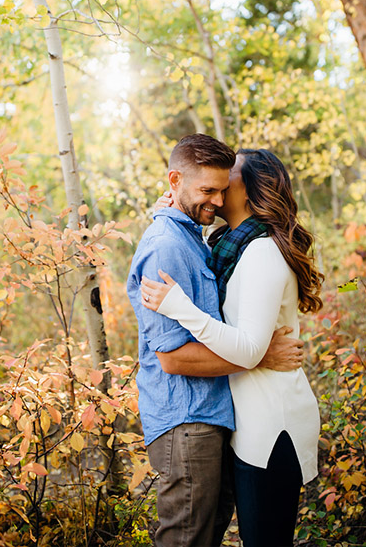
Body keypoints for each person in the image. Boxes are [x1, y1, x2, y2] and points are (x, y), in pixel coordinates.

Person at [126, 134, 304, 547]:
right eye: (209, 190)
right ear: (176, 181)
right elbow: (171, 358)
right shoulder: (169, 244)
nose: (219, 200)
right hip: (187, 421)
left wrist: (178, 204)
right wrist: (257, 356)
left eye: (224, 189)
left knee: (202, 535)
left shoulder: (205, 238)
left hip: (214, 415)